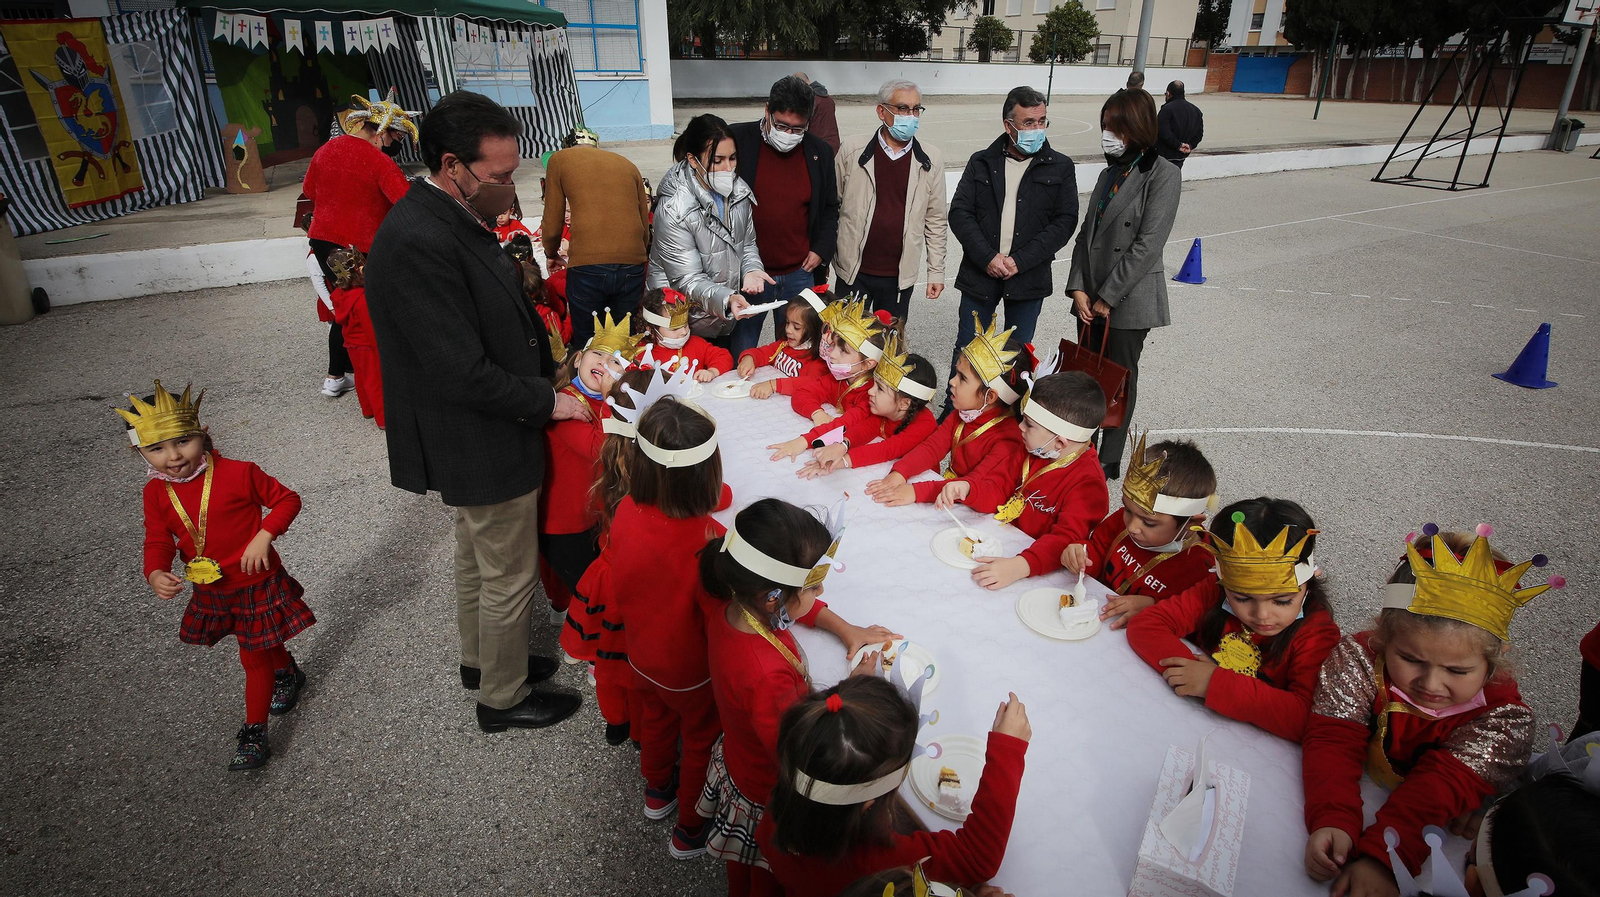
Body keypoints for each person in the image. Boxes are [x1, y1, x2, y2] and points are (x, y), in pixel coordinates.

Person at [365, 90, 587, 734]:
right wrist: (550, 400)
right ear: (451, 164)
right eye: (497, 176)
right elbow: (459, 370)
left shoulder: (447, 216)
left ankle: (484, 661)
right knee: (508, 572)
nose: (507, 187)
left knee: (477, 558)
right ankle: (502, 697)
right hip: (480, 433)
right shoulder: (417, 239)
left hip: (482, 428)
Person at [1301, 526, 1548, 894]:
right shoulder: (1359, 660)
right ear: (1383, 637)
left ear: (1495, 661)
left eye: (1457, 671)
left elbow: (1437, 790)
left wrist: (1387, 859)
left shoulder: (1502, 719)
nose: (1431, 685)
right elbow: (1334, 737)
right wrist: (1332, 816)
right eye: (1410, 659)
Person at [699, 498, 899, 897]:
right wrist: (858, 691)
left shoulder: (737, 601)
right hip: (769, 789)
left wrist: (843, 627)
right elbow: (801, 752)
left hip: (741, 759)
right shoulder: (766, 674)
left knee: (742, 869)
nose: (822, 590)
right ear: (771, 596)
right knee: (766, 874)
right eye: (814, 585)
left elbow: (792, 607)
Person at [121, 381, 314, 771]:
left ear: (202, 434)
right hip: (212, 588)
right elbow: (157, 538)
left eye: (183, 441)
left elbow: (287, 499)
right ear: (139, 451)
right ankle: (288, 671)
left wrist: (264, 535)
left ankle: (254, 735)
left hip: (255, 582)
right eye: (157, 448)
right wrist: (155, 571)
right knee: (257, 638)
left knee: (252, 655)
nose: (173, 456)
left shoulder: (239, 473)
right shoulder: (156, 493)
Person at [756, 677, 1032, 896]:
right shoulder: (880, 865)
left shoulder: (778, 811)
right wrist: (1008, 750)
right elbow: (977, 857)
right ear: (867, 805)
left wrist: (852, 715)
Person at [608, 390, 730, 858]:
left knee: (657, 722)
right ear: (707, 475)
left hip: (640, 655)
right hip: (691, 675)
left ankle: (656, 791)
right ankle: (690, 828)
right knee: (700, 740)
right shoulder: (709, 541)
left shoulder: (624, 511)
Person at [1126, 498, 1339, 742]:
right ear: (1221, 580)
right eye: (1242, 598)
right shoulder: (1213, 591)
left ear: (1311, 580)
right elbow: (1147, 625)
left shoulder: (1317, 634)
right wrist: (1193, 673)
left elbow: (1310, 719)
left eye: (1281, 601)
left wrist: (1214, 683)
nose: (1262, 615)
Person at [1067, 88, 1182, 480]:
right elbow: (1087, 234)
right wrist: (1079, 287)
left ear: (1136, 128)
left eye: (1114, 128)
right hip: (1091, 294)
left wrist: (1108, 296)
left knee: (1117, 378)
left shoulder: (1163, 174)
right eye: (1104, 127)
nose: (1107, 135)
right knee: (1085, 375)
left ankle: (1108, 457)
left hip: (1127, 299)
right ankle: (1080, 442)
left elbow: (1149, 243)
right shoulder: (1108, 172)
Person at [946, 86, 1078, 410]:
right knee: (968, 345)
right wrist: (987, 257)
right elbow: (960, 213)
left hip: (1027, 278)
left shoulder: (1060, 167)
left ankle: (1006, 416)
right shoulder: (981, 162)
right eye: (1029, 122)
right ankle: (955, 411)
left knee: (1017, 352)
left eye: (1042, 121)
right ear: (1009, 125)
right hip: (981, 274)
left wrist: (1020, 261)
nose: (1037, 129)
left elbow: (1064, 222)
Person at [559, 368, 654, 747]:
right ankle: (638, 734)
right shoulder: (654, 481)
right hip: (636, 587)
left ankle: (615, 721)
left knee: (605, 661)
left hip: (604, 579)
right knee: (633, 664)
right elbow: (717, 496)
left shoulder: (612, 461)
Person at [302, 89, 416, 399]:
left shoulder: (326, 149)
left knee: (345, 304)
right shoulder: (378, 161)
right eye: (397, 139)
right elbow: (405, 202)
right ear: (382, 131)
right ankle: (375, 373)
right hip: (362, 248)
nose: (397, 146)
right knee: (367, 308)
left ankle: (336, 376)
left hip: (323, 241)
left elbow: (309, 189)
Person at [539, 310, 642, 632]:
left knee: (585, 578)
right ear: (578, 357)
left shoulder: (601, 400)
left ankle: (569, 615)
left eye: (615, 362)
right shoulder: (566, 404)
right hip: (564, 521)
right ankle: (589, 643)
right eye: (598, 354)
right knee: (586, 586)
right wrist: (614, 398)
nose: (604, 364)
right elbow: (601, 450)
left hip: (592, 511)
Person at [963, 371, 1109, 592]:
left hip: (1034, 571)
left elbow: (1064, 539)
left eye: (1029, 424)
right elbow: (998, 486)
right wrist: (967, 489)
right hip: (1004, 547)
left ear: (1059, 442)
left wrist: (1019, 567)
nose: (1020, 427)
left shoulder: (1088, 484)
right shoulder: (1034, 448)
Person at [867, 318, 1030, 511]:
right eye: (956, 373)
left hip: (975, 510)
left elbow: (973, 485)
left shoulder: (1007, 440)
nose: (951, 382)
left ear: (990, 396)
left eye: (962, 378)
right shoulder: (963, 413)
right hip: (952, 498)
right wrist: (900, 472)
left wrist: (916, 492)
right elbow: (932, 448)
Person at [730, 76, 841, 359]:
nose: (788, 134)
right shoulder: (736, 141)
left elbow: (830, 208)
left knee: (796, 356)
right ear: (767, 110)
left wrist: (821, 250)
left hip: (798, 275)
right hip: (748, 274)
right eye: (781, 125)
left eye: (797, 128)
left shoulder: (820, 152)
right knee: (740, 352)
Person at [1061, 433, 1217, 629]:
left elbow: (1196, 619)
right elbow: (1098, 548)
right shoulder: (1126, 519)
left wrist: (1153, 607)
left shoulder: (1201, 565)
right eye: (1127, 509)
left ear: (1191, 522)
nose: (1132, 526)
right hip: (1093, 618)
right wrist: (1080, 554)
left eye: (1149, 523)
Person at [647, 114, 772, 342]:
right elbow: (686, 279)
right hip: (680, 319)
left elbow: (747, 243)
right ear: (693, 161)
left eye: (732, 158)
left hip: (720, 313)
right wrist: (727, 299)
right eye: (718, 161)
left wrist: (752, 269)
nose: (728, 169)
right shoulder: (674, 208)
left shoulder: (738, 192)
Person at [832, 79, 947, 325]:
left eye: (916, 109)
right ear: (881, 111)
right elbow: (832, 206)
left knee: (889, 348)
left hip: (898, 278)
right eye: (903, 108)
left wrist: (936, 271)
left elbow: (936, 219)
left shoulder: (931, 159)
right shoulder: (853, 150)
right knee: (844, 344)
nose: (911, 116)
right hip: (853, 273)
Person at [541, 126, 652, 350]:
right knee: (623, 340)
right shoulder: (626, 164)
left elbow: (553, 220)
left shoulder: (560, 160)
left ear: (566, 145)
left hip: (587, 264)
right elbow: (644, 227)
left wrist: (550, 253)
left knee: (587, 341)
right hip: (632, 262)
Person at [768, 335, 939, 478]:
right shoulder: (883, 410)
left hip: (919, 478)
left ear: (904, 403)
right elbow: (861, 430)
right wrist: (840, 445)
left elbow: (887, 449)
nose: (870, 391)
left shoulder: (925, 424)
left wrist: (842, 460)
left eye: (879, 388)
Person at [758, 299, 888, 428]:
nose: (832, 354)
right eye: (834, 345)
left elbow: (847, 426)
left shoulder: (871, 396)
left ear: (868, 364)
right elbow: (801, 394)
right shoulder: (836, 380)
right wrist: (817, 413)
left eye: (843, 351)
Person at [325, 247, 384, 428]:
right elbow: (370, 329)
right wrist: (381, 348)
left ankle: (367, 410)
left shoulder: (339, 295)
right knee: (375, 380)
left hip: (352, 343)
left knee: (361, 377)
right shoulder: (362, 299)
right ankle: (383, 419)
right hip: (367, 345)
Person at [636, 288, 733, 381]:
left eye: (685, 325)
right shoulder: (639, 352)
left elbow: (724, 356)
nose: (684, 332)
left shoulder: (696, 344)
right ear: (651, 330)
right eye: (674, 329)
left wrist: (712, 372)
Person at [737, 294, 827, 381]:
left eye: (797, 327)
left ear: (815, 330)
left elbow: (809, 385)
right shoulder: (783, 345)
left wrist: (775, 386)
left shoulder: (816, 363)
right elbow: (762, 353)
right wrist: (749, 358)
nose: (788, 330)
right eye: (787, 323)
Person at [1156, 81, 1204, 169]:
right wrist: (1190, 145)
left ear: (1168, 93)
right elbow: (1199, 134)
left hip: (1163, 156)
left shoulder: (1166, 109)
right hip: (1181, 156)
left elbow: (1163, 132)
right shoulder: (1196, 111)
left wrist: (1178, 145)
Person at [795, 71, 840, 154]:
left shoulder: (810, 100)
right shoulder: (829, 99)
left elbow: (802, 126)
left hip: (816, 146)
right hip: (833, 144)